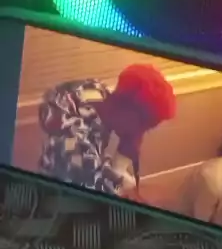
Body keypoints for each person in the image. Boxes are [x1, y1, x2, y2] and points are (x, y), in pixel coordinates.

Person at [38, 64, 176, 198]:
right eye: (142, 127)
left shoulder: (99, 94)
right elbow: (89, 181)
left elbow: (105, 162)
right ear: (127, 113)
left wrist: (120, 166)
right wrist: (119, 184)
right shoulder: (75, 140)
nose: (139, 134)